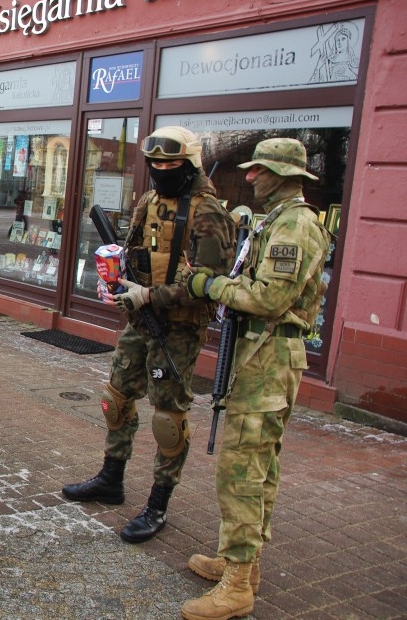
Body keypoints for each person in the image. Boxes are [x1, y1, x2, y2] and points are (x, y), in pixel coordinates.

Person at [61, 125, 236, 543]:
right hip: (139, 320)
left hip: (177, 328)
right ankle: (111, 478)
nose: (160, 169)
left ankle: (158, 504)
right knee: (116, 399)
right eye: (154, 163)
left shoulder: (208, 213)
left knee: (168, 419)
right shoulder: (149, 200)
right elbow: (132, 252)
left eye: (170, 163)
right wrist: (115, 280)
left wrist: (150, 295)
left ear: (189, 164)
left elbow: (211, 283)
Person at [181, 138, 329, 620]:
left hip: (268, 357)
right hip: (258, 353)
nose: (251, 177)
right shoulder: (278, 219)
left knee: (242, 472)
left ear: (285, 175)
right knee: (254, 467)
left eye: (260, 170)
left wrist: (207, 283)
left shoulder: (295, 225)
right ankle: (238, 561)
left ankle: (239, 584)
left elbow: (266, 298)